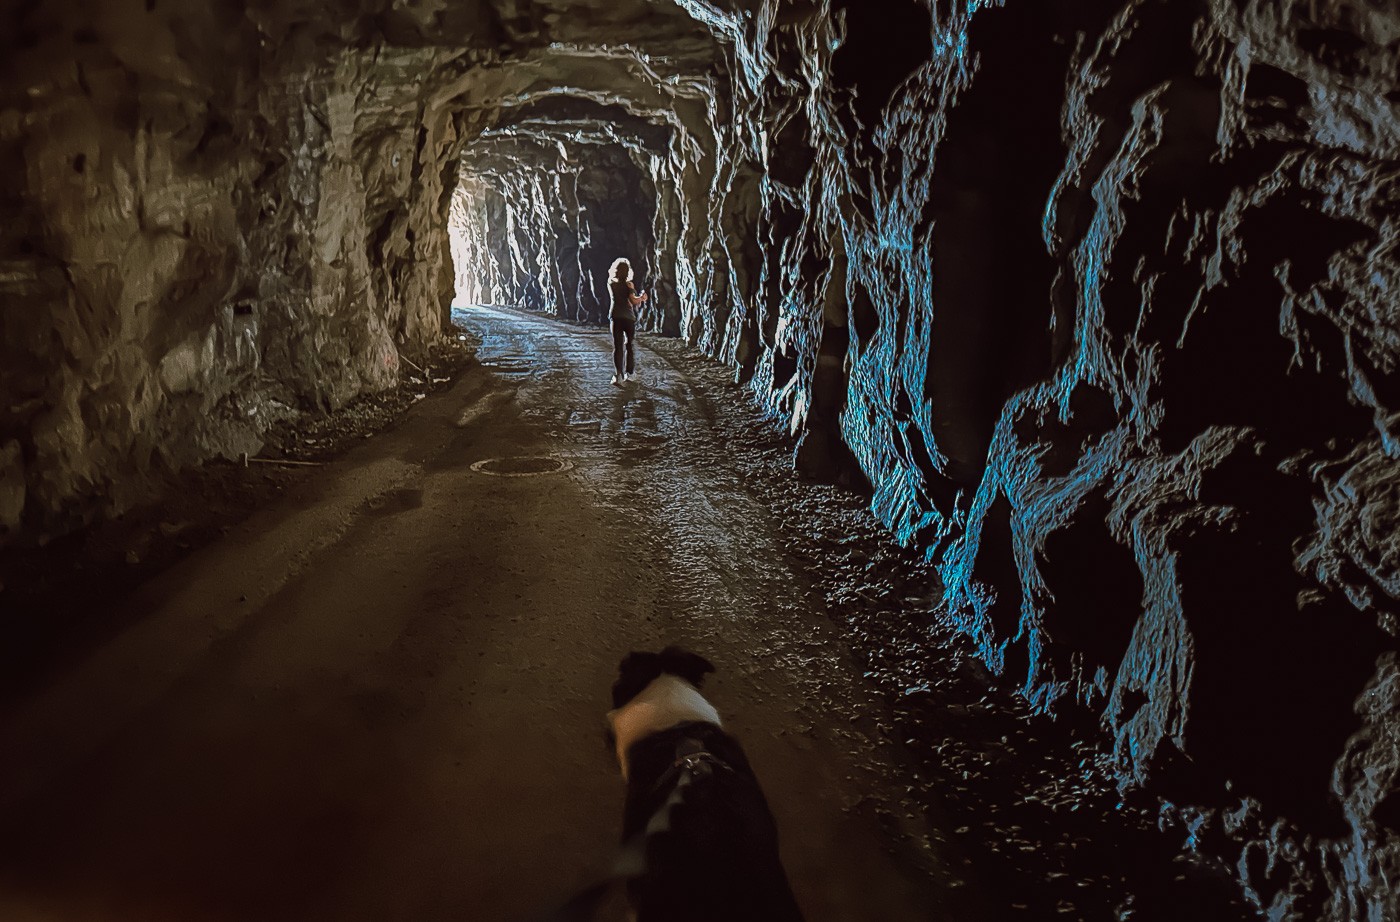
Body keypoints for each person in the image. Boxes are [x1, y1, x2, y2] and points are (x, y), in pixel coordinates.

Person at [608, 257, 648, 385]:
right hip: (628, 318)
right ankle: (629, 374)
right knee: (629, 345)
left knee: (617, 346)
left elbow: (620, 298)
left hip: (616, 316)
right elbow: (633, 301)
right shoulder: (629, 285)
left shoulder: (611, 284)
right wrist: (642, 298)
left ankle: (618, 375)